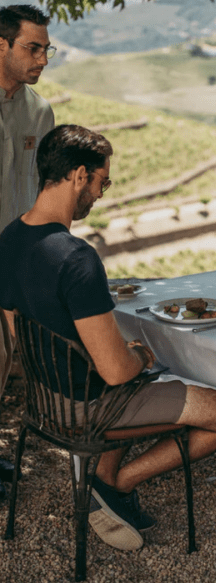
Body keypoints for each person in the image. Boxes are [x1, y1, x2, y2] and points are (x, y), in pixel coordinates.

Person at [0, 124, 216, 551]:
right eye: (103, 181)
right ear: (80, 175)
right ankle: (116, 483)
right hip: (91, 408)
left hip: (45, 400)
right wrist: (137, 355)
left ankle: (105, 477)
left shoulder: (8, 239)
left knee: (145, 370)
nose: (101, 193)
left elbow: (14, 332)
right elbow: (117, 373)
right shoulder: (77, 259)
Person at [0, 4, 56, 502]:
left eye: (45, 49)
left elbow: (40, 193)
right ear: (1, 45)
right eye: (31, 48)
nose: (41, 57)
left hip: (13, 259)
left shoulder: (40, 113)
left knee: (2, 357)